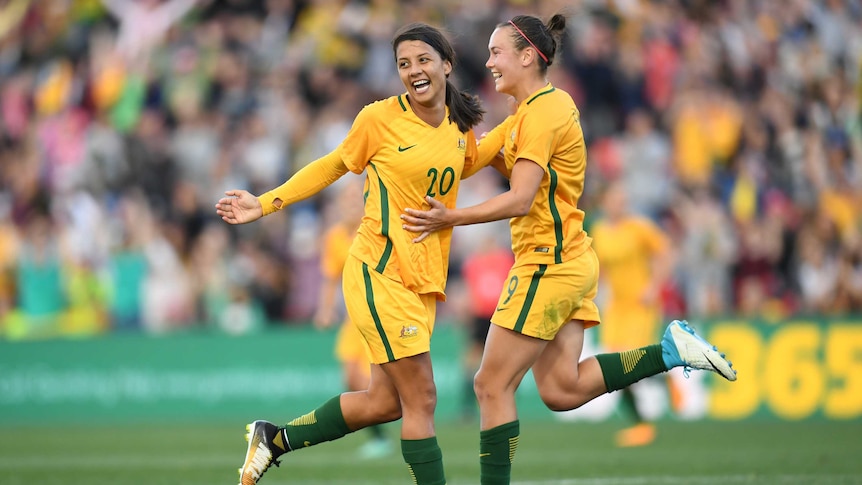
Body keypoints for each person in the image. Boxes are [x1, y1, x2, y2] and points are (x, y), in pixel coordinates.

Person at [401, 14, 737, 484]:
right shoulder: (529, 114)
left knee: (490, 385)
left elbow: (519, 198)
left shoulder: (543, 114)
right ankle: (669, 351)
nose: (489, 61)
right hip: (568, 260)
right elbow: (467, 160)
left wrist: (450, 217)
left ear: (527, 57)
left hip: (548, 264)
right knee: (562, 389)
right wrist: (425, 118)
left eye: (497, 52)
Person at [215, 22, 486, 485]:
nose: (414, 71)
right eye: (404, 63)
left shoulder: (461, 126)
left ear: (446, 64)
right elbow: (332, 165)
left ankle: (273, 439)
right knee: (422, 399)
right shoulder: (379, 118)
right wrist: (265, 203)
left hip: (422, 279)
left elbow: (484, 161)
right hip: (379, 271)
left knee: (385, 403)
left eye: (423, 60)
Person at [590, 180, 678, 447]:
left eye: (622, 196)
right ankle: (640, 425)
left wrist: (654, 286)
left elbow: (666, 253)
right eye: (615, 197)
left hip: (640, 304)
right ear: (605, 202)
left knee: (633, 359)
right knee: (617, 366)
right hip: (616, 307)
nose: (620, 202)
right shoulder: (600, 230)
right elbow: (600, 267)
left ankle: (666, 377)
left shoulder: (639, 227)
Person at [312, 180, 393, 459]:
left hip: (377, 314)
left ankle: (389, 431)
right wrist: (324, 309)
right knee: (350, 378)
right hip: (352, 319)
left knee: (365, 378)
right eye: (344, 201)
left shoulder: (373, 231)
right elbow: (330, 277)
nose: (349, 205)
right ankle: (380, 437)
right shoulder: (334, 237)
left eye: (354, 200)